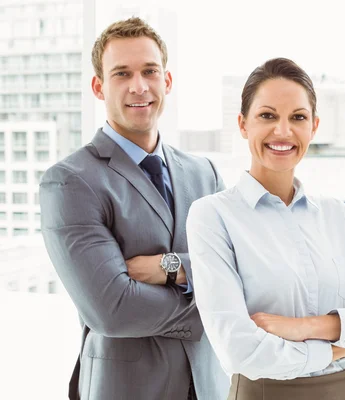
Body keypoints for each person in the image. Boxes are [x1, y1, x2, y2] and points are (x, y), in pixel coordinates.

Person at [185, 58, 345, 400]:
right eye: (267, 116)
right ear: (242, 124)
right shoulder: (213, 216)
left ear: (314, 126)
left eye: (297, 117)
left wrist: (310, 327)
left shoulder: (337, 217)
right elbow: (240, 350)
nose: (283, 131)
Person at [40, 17, 228, 400]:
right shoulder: (70, 181)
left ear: (167, 81)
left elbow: (243, 273)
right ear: (99, 86)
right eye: (122, 74)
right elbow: (113, 310)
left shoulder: (204, 173)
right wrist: (213, 306)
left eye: (149, 71)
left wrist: (167, 267)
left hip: (210, 387)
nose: (138, 86)